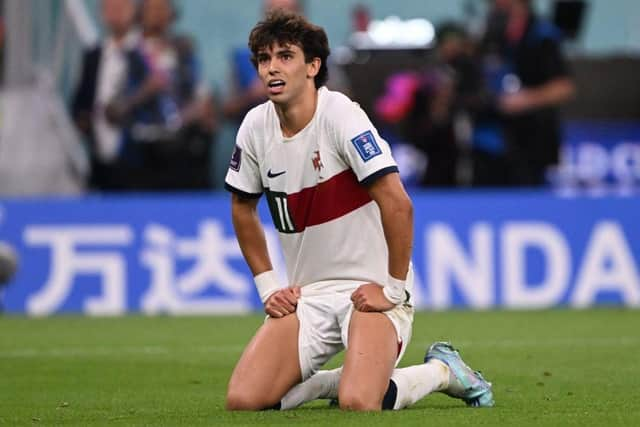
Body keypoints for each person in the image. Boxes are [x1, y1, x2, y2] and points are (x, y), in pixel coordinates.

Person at [224, 10, 494, 411]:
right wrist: (269, 288)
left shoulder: (340, 116)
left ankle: (442, 372)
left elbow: (398, 203)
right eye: (264, 59)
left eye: (285, 56)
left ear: (313, 66)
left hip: (367, 290)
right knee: (244, 400)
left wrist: (393, 289)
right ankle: (323, 384)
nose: (271, 68)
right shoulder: (255, 127)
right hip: (308, 296)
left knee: (360, 401)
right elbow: (242, 207)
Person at [478, 0, 575, 186]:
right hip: (493, 144)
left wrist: (524, 100)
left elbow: (564, 87)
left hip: (533, 142)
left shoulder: (542, 35)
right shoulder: (491, 36)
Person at [71, 0, 140, 190]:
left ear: (133, 11)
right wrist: (84, 119)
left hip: (140, 162)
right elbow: (80, 101)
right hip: (100, 158)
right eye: (110, 8)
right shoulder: (93, 55)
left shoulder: (143, 53)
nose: (115, 13)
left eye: (121, 7)